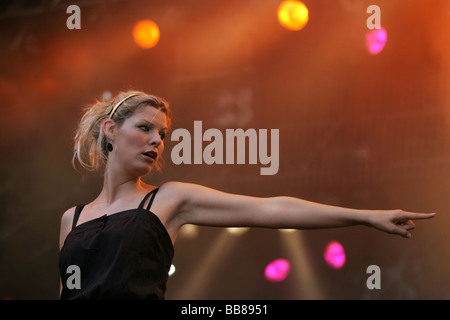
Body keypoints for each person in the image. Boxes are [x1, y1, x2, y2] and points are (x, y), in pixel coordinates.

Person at [59, 90, 435, 300]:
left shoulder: (167, 200)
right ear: (110, 130)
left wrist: (366, 215)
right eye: (145, 128)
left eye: (163, 134)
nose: (157, 140)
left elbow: (271, 209)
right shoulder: (72, 220)